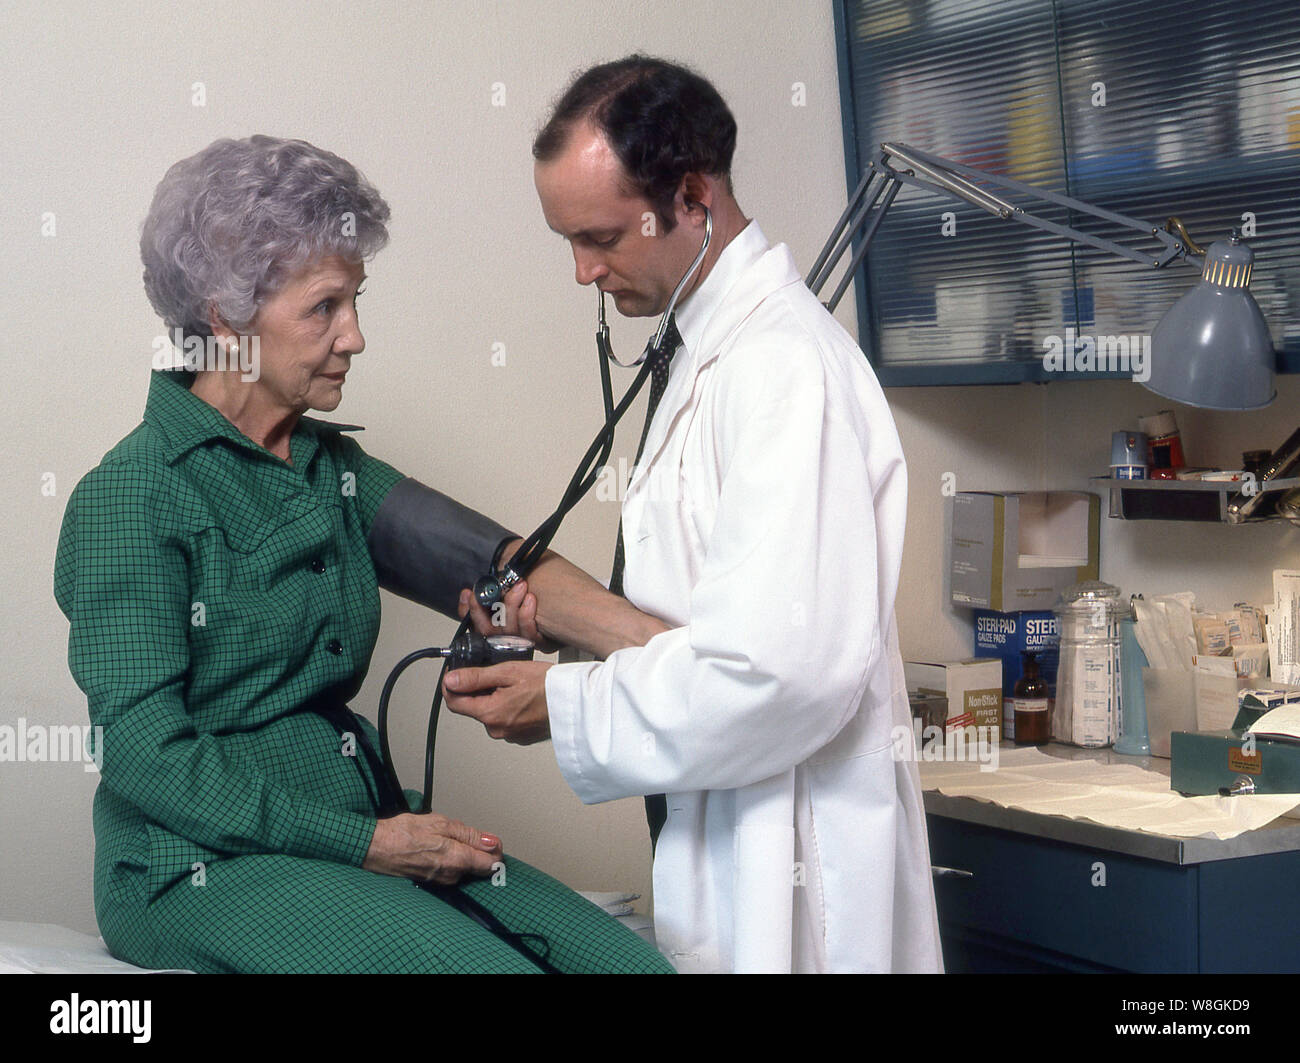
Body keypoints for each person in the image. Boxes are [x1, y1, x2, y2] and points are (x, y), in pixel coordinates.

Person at [52, 134, 673, 974]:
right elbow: (143, 755)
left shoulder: (328, 468)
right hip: (197, 865)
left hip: (360, 824)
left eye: (356, 300)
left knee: (634, 968)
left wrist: (657, 650)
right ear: (226, 318)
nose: (355, 337)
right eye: (324, 307)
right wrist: (370, 843)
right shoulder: (133, 495)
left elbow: (490, 557)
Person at [444, 56, 944, 973]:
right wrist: (575, 624)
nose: (583, 271)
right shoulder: (711, 353)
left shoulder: (785, 370)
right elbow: (708, 624)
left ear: (691, 196)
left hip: (800, 874)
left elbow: (775, 676)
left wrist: (563, 702)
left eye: (599, 237)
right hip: (730, 845)